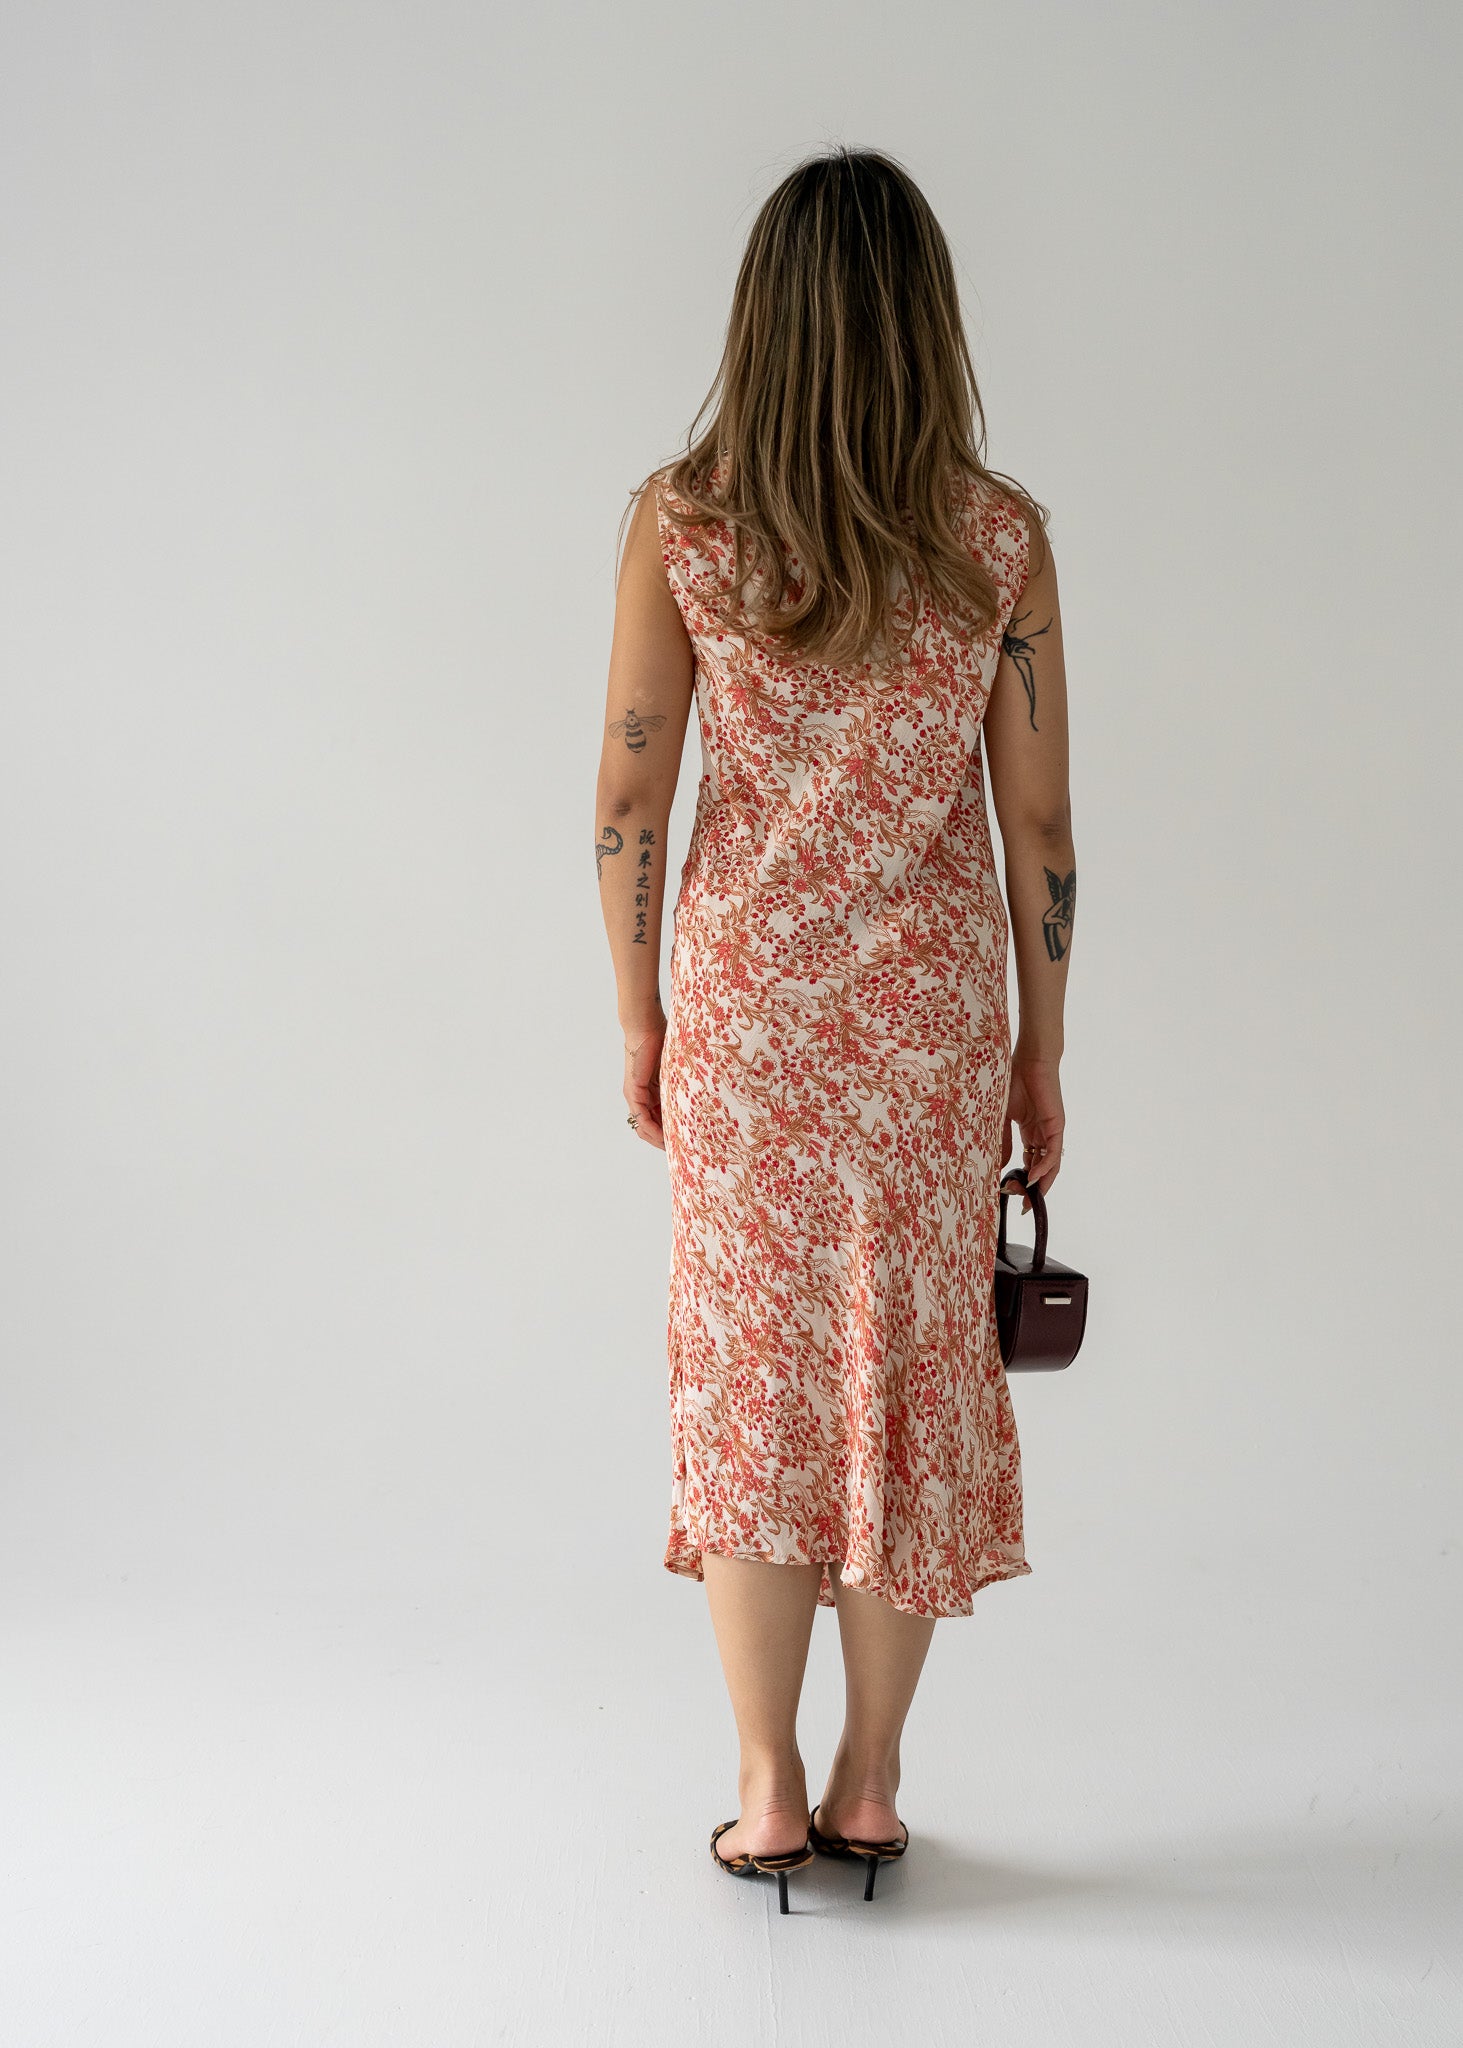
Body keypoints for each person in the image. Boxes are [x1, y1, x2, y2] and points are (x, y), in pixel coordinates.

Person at [594, 146, 1074, 1910]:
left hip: (745, 1009)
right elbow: (1041, 833)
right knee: (903, 1384)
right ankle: (875, 1784)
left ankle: (767, 1784)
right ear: (927, 323)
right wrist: (1039, 1053)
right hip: (931, 1022)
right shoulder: (999, 539)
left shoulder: (686, 520)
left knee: (752, 1383)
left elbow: (634, 789)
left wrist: (638, 1014)